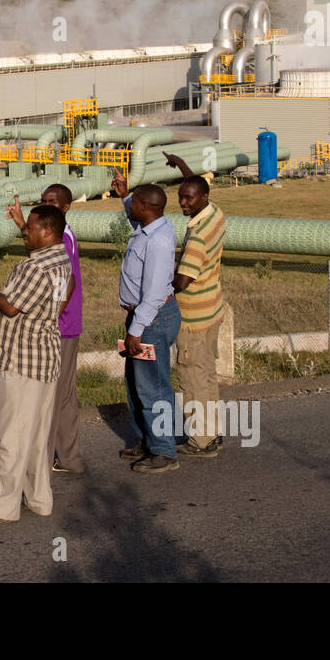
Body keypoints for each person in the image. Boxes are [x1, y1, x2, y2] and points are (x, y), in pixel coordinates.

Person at [0, 204, 70, 526]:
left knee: (11, 437)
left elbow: (10, 308)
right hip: (46, 357)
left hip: (23, 361)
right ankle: (39, 499)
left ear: (47, 232)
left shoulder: (35, 269)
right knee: (37, 436)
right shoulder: (62, 259)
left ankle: (4, 507)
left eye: (30, 228)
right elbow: (68, 292)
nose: (25, 233)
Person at [8, 184, 84, 475]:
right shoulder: (65, 234)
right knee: (63, 394)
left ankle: (42, 459)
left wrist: (49, 318)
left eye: (52, 202)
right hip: (67, 324)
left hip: (59, 327)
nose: (46, 205)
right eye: (42, 200)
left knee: (51, 396)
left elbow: (66, 282)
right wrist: (21, 223)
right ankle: (68, 457)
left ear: (65, 208)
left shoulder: (61, 242)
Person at [110, 173, 181, 474]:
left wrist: (135, 331)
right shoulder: (149, 226)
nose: (129, 208)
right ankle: (148, 439)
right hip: (142, 316)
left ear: (146, 207)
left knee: (153, 385)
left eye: (133, 202)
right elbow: (133, 213)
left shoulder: (160, 241)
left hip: (150, 318)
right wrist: (125, 194)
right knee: (137, 384)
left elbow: (152, 295)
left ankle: (164, 451)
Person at [164, 153, 227, 457]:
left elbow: (182, 282)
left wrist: (158, 285)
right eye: (180, 198)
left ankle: (200, 440)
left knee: (191, 378)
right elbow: (194, 184)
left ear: (203, 197)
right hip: (212, 308)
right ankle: (212, 432)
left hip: (192, 318)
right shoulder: (215, 214)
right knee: (207, 374)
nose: (183, 204)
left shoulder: (197, 237)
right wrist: (180, 164)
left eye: (188, 199)